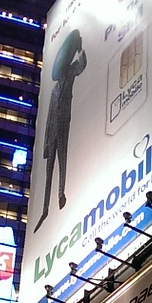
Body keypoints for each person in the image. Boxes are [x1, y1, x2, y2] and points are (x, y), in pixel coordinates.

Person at [34, 28, 88, 229]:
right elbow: (47, 120)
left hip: (64, 123)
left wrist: (80, 49)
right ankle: (45, 208)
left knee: (63, 160)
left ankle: (60, 194)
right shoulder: (53, 91)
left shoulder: (70, 74)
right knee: (49, 170)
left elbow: (82, 65)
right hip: (54, 129)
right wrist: (46, 145)